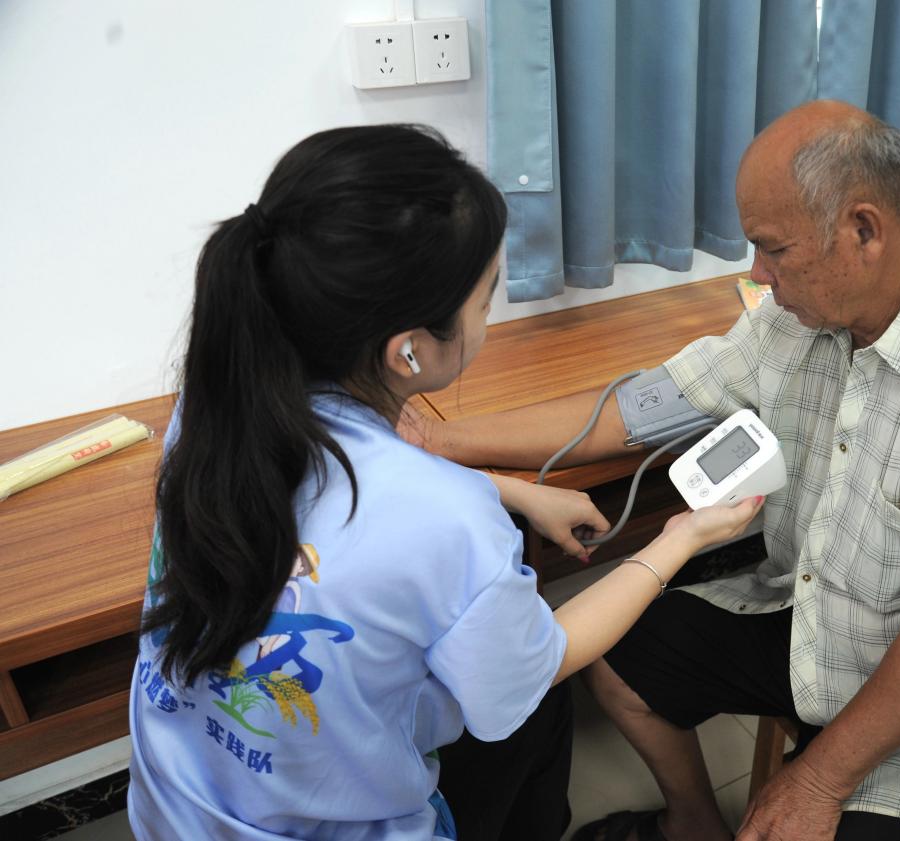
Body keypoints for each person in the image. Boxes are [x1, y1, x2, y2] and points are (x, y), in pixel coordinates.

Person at [414, 100, 900, 841]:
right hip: (818, 624)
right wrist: (444, 439)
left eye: (773, 249)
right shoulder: (800, 317)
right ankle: (693, 822)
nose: (758, 275)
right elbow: (643, 406)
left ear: (864, 231)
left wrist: (817, 779)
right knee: (614, 659)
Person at [127, 124, 762, 841]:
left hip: (173, 806)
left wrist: (509, 490)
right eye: (487, 300)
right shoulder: (443, 518)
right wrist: (682, 537)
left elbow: (368, 507)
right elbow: (538, 661)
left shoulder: (213, 402)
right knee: (532, 701)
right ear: (408, 350)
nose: (490, 316)